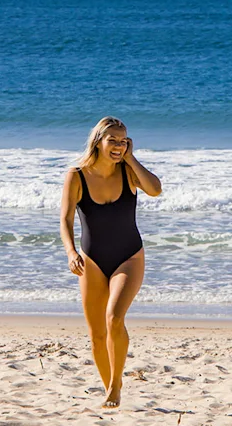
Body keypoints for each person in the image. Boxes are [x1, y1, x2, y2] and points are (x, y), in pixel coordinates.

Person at [58, 116, 162, 408]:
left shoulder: (129, 172)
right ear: (98, 142)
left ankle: (116, 385)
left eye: (124, 140)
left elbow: (155, 189)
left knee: (115, 317)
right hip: (91, 260)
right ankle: (110, 390)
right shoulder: (77, 175)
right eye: (113, 140)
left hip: (129, 256)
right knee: (96, 333)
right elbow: (65, 220)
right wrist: (70, 252)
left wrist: (132, 158)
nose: (119, 145)